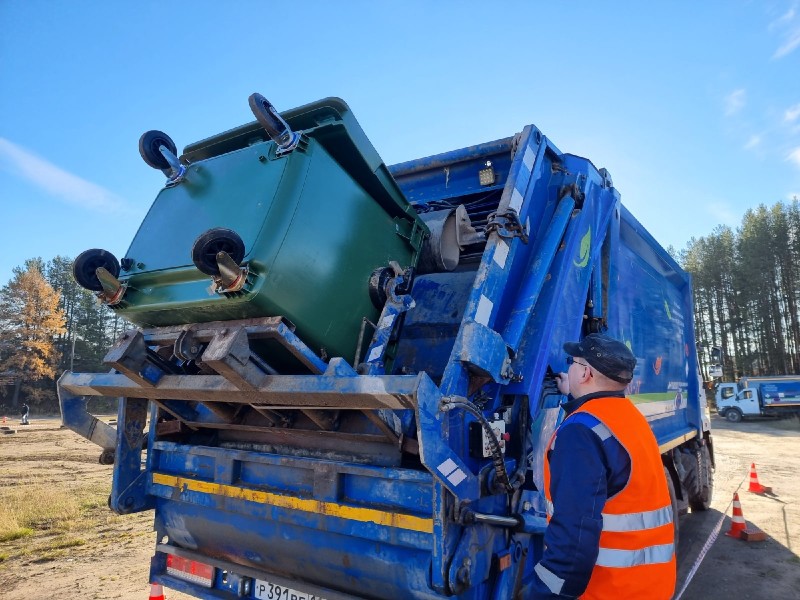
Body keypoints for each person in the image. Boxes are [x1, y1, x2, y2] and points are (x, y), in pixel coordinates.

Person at [531, 333, 675, 599]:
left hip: (607, 590)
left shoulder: (579, 434)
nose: (569, 369)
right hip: (648, 587)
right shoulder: (629, 418)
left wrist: (547, 593)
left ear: (585, 373)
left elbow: (574, 536)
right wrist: (572, 393)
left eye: (573, 363)